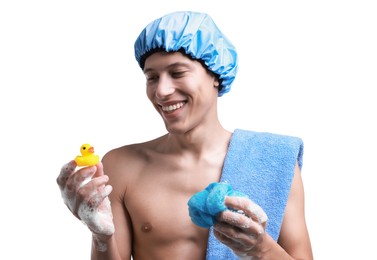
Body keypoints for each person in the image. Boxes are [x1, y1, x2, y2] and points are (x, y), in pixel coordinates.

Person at [57, 11, 313, 260]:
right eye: (152, 77)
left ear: (215, 74)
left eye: (177, 73)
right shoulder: (122, 166)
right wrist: (101, 237)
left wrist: (262, 250)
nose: (161, 91)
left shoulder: (273, 161)